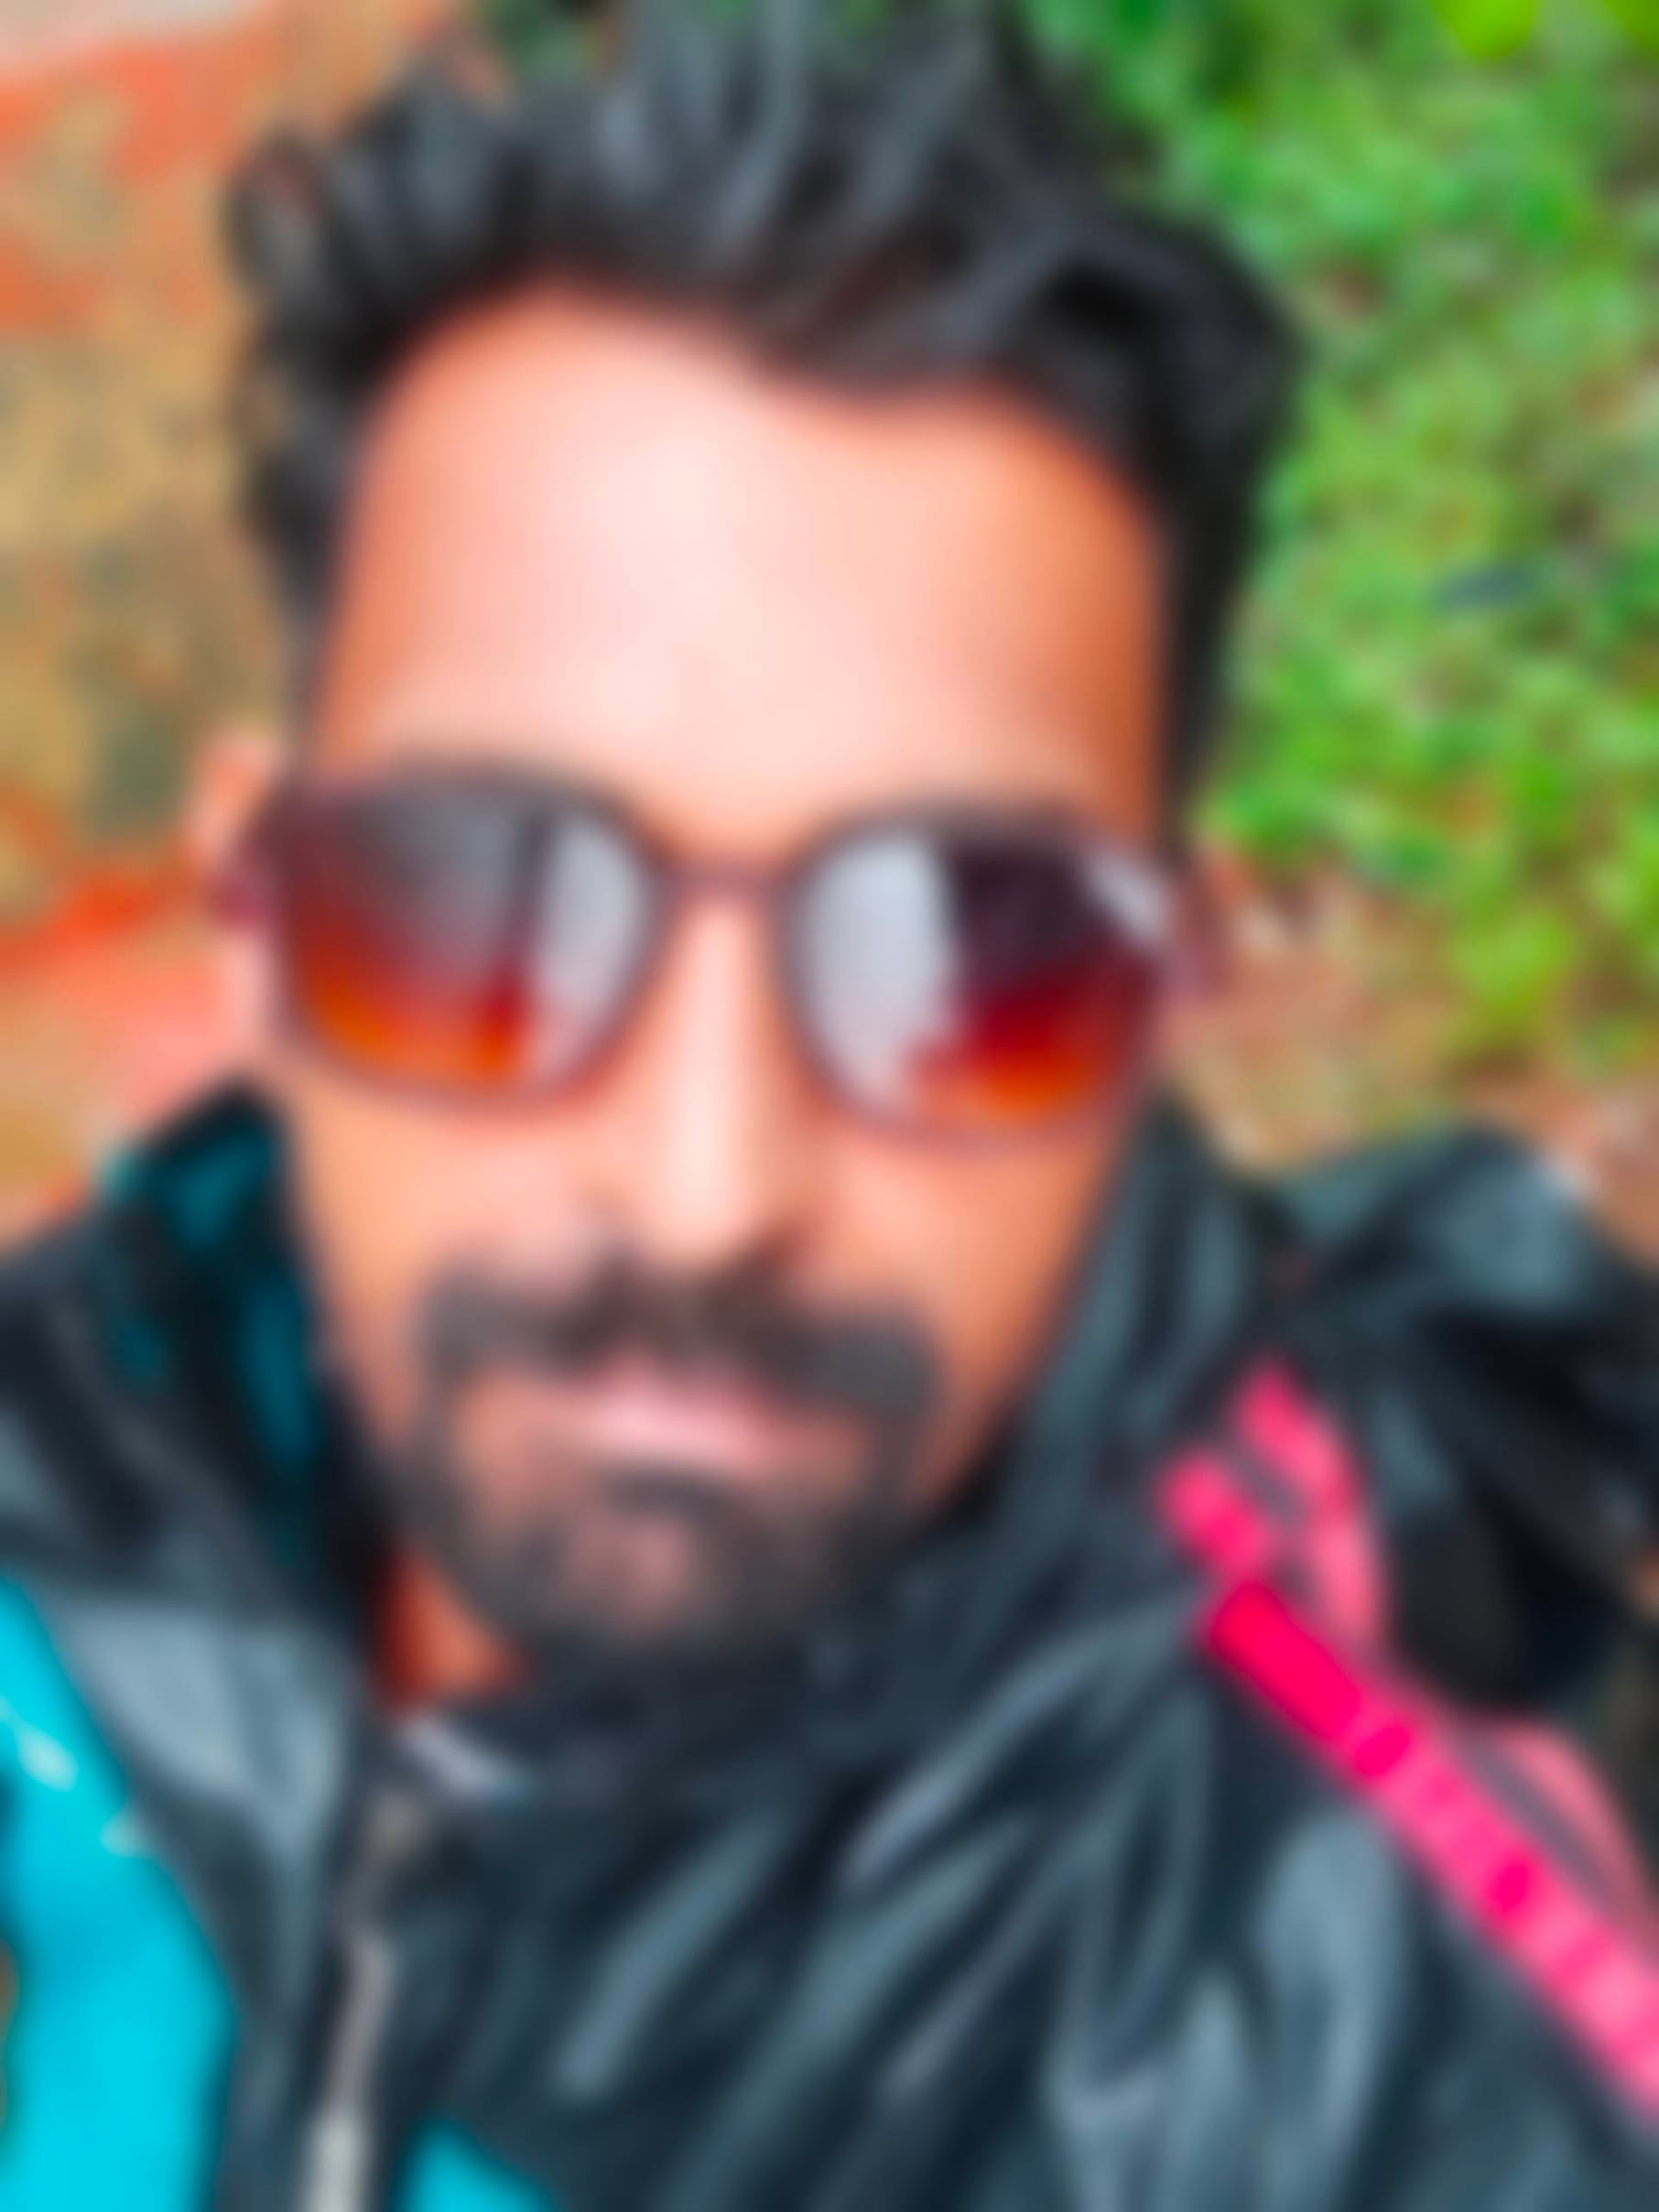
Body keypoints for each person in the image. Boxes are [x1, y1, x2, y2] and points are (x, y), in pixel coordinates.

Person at [3, 5, 1658, 2206]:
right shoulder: (93, 1456)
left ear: (1162, 1002)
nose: (707, 1193)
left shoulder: (1339, 2080)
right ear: (260, 914)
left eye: (969, 953)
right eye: (485, 902)